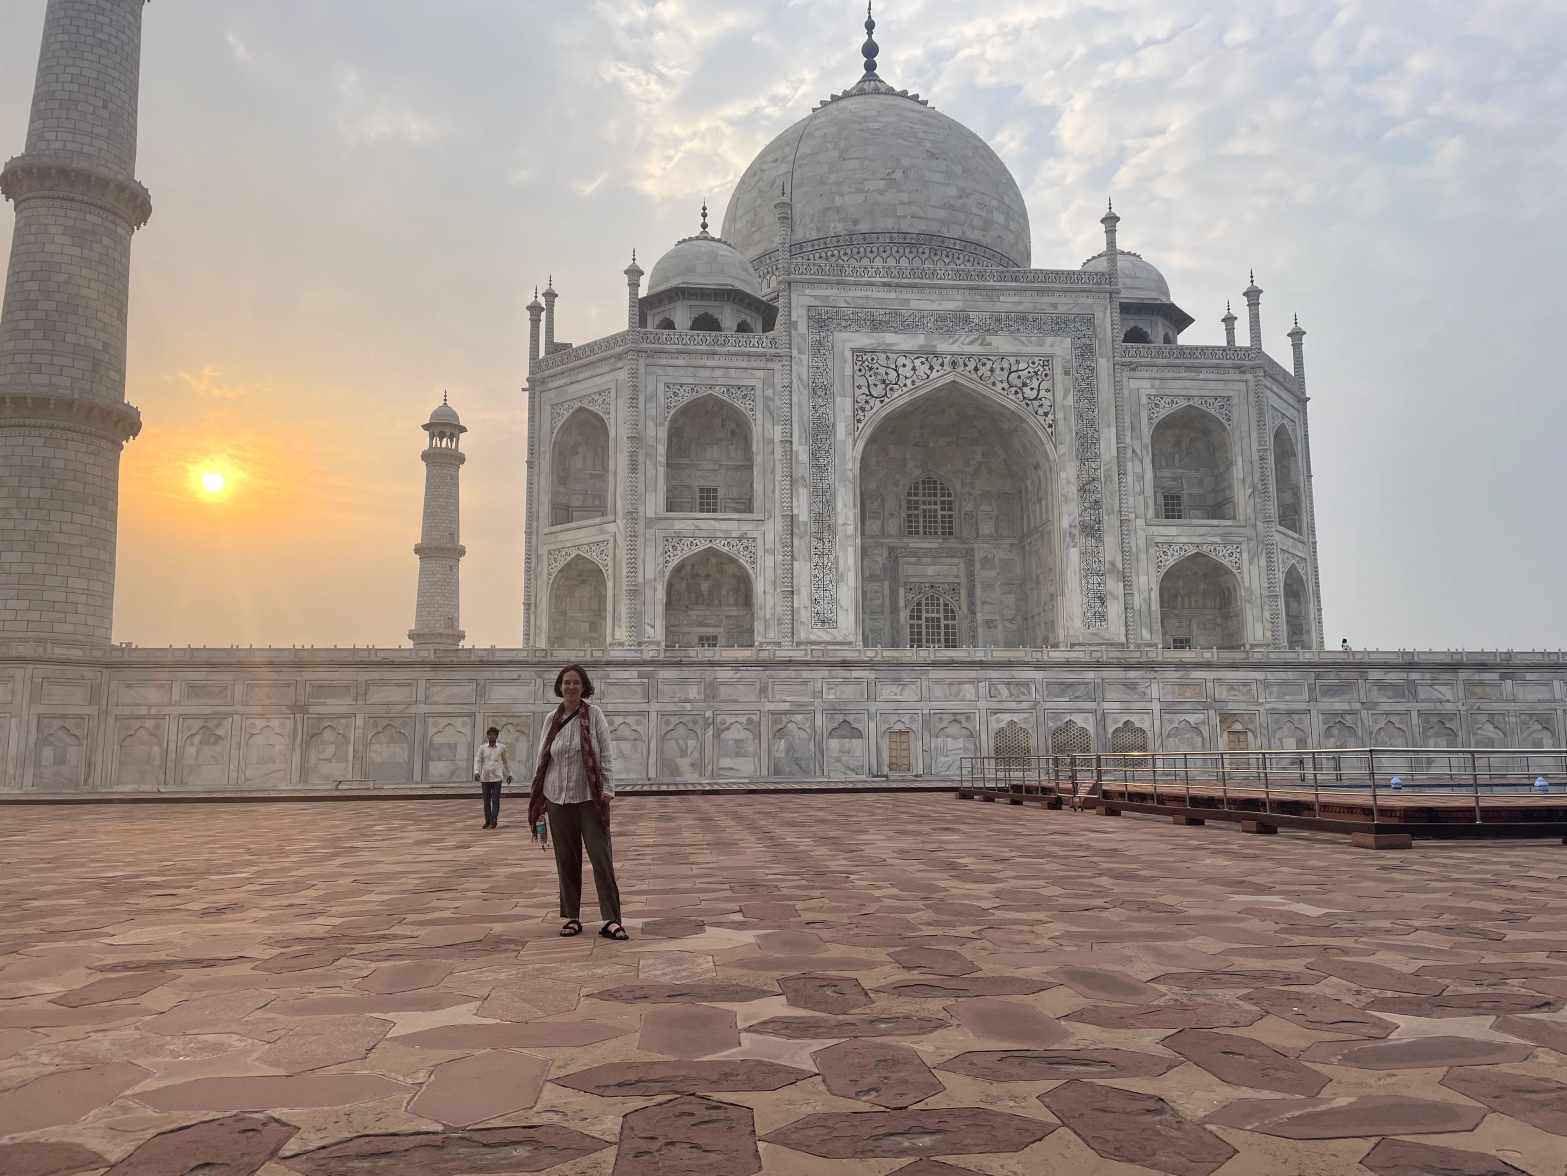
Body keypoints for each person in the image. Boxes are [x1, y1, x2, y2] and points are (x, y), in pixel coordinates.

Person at [528, 664, 628, 940]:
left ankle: (611, 919)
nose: (571, 687)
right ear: (559, 687)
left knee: (601, 857)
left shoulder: (594, 715)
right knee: (566, 860)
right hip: (557, 798)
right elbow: (542, 757)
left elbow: (605, 754)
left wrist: (608, 789)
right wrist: (538, 799)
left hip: (589, 797)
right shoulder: (552, 719)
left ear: (584, 687)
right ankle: (571, 917)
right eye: (566, 682)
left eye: (576, 682)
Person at [473, 726, 511, 829]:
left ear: (496, 736)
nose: (491, 737)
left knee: (495, 800)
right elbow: (478, 760)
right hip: (485, 778)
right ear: (487, 736)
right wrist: (476, 772)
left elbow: (506, 761)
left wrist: (509, 774)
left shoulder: (501, 748)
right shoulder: (482, 748)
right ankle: (487, 820)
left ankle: (494, 820)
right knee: (486, 801)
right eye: (490, 735)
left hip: (497, 778)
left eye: (493, 735)